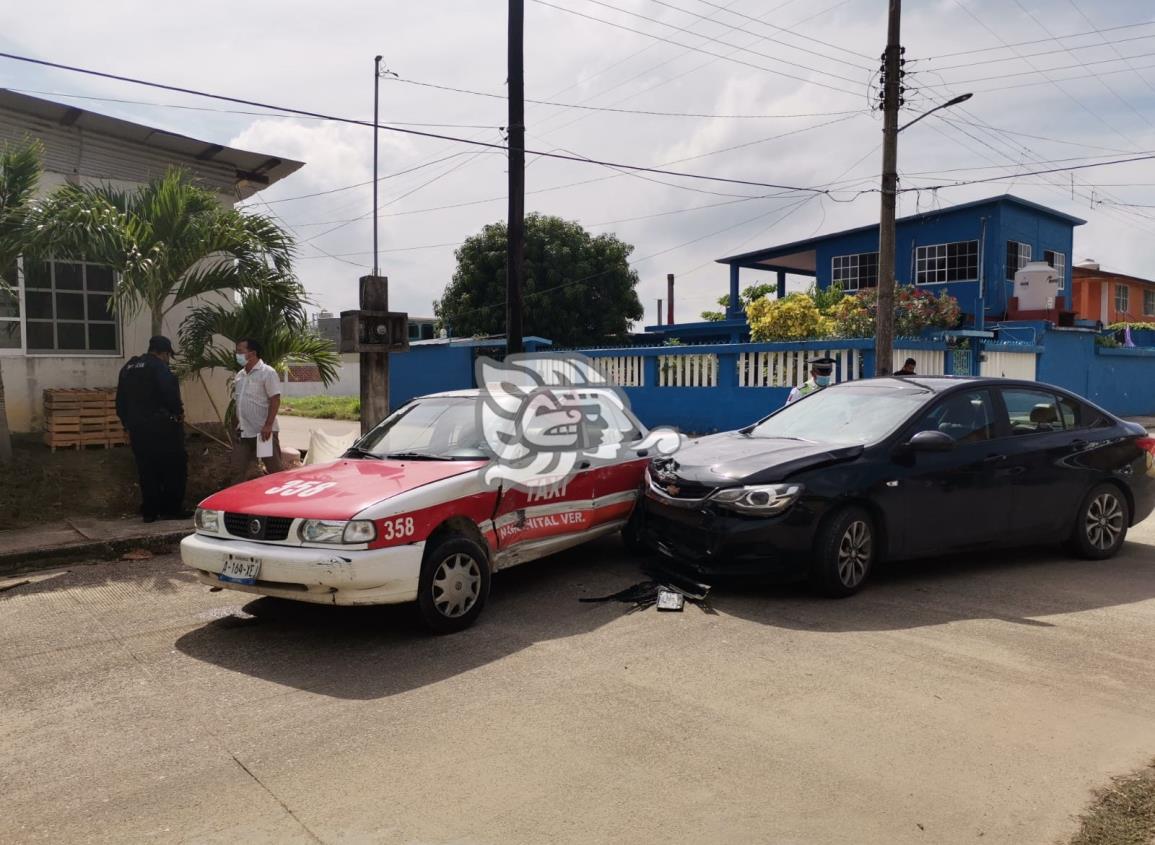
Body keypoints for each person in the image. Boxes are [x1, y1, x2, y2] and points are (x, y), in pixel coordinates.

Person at [115, 336, 190, 522]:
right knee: (174, 468)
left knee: (146, 469)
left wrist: (127, 424)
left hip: (137, 430)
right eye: (168, 356)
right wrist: (178, 412)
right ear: (163, 353)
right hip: (163, 428)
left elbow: (120, 401)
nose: (168, 359)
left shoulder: (128, 367)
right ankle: (171, 509)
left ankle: (150, 510)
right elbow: (170, 393)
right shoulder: (159, 368)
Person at [231, 337, 284, 484]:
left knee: (274, 470)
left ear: (252, 353)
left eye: (240, 351)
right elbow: (239, 402)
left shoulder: (267, 372)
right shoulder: (240, 375)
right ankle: (235, 504)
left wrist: (268, 425)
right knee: (236, 470)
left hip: (263, 434)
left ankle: (281, 502)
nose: (237, 355)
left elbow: (275, 400)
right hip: (243, 432)